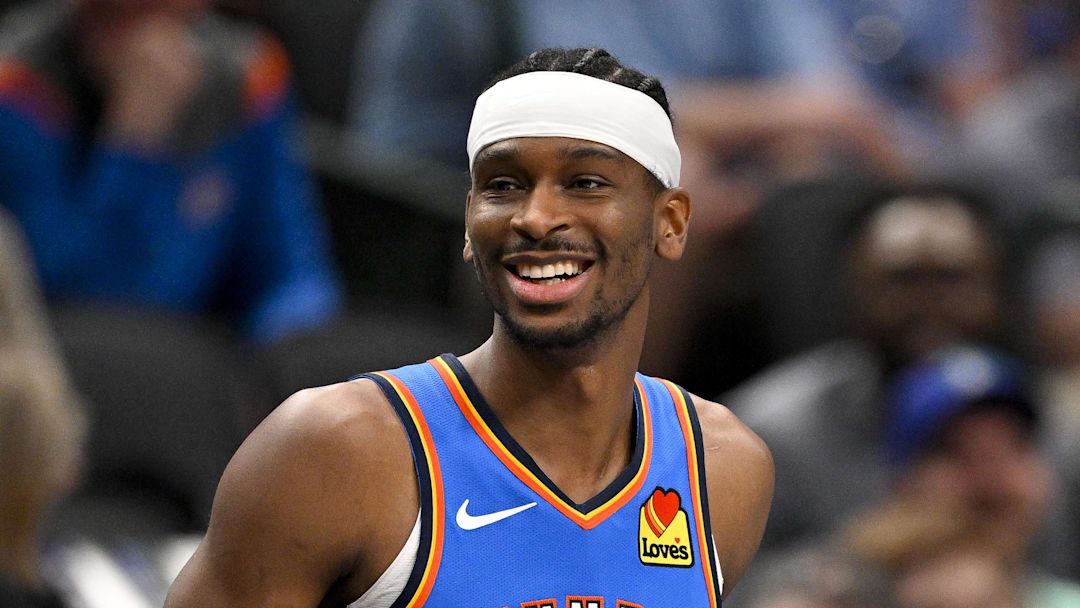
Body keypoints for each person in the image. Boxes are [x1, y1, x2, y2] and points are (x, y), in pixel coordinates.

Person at [164, 47, 774, 607]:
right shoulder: (332, 449)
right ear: (467, 221)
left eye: (585, 183)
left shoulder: (723, 470)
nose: (535, 218)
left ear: (670, 222)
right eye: (503, 186)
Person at [0, 0, 342, 344]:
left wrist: (284, 360)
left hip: (206, 359)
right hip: (68, 362)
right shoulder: (18, 89)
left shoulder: (247, 78)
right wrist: (133, 142)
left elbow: (292, 276)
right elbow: (77, 296)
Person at [726, 182, 1006, 554]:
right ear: (852, 291)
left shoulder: (1047, 428)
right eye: (903, 280)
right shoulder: (770, 436)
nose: (930, 304)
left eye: (952, 279)